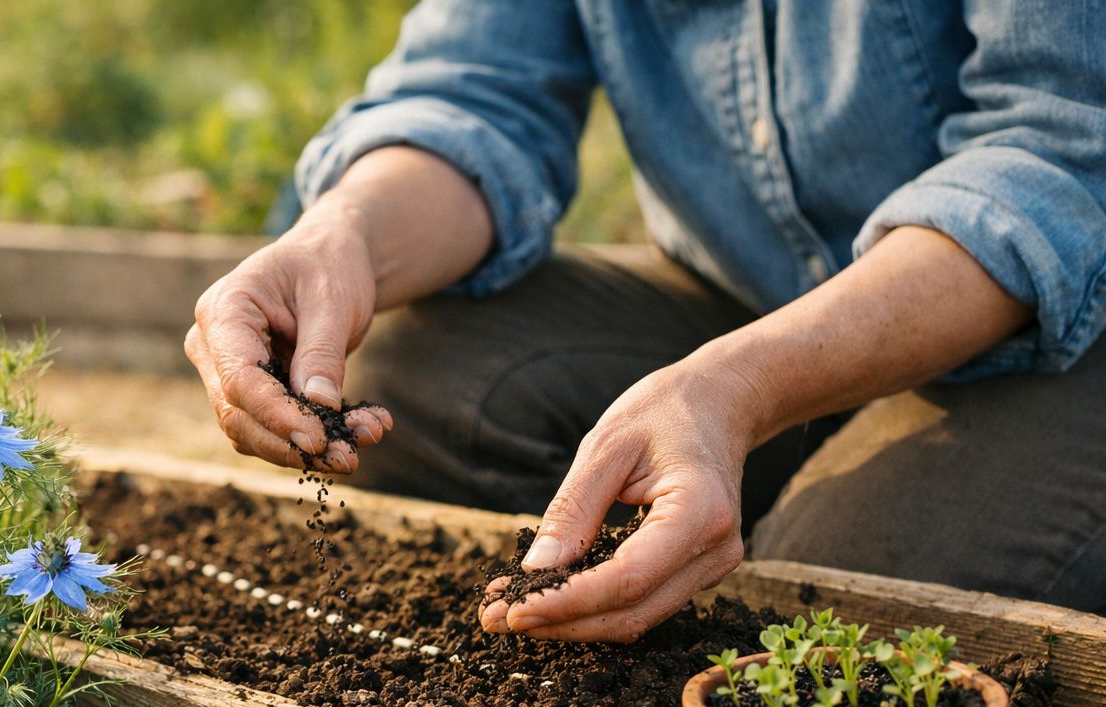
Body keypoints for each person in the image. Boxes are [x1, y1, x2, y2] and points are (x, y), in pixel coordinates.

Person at [184, 0, 1106, 642]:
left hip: (1060, 336)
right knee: (417, 370)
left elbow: (1058, 151)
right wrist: (347, 233)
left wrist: (738, 388)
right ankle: (766, 482)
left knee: (818, 604)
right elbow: (476, 89)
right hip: (751, 300)